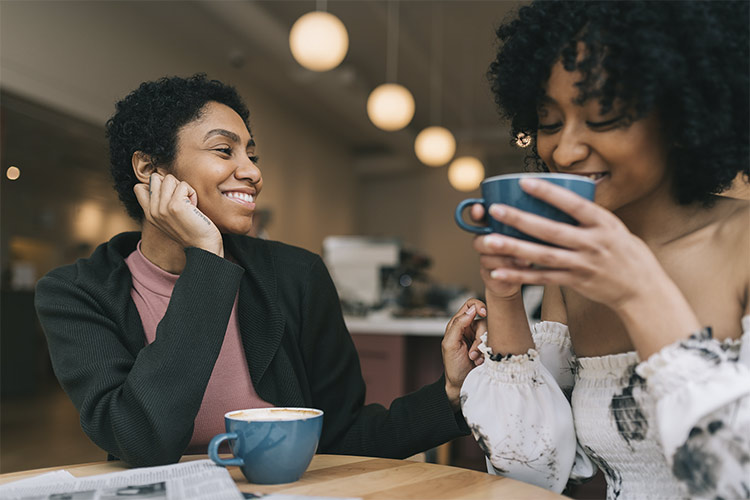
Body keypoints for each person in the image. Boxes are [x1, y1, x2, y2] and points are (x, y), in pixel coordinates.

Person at [35, 74, 484, 467]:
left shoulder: (297, 276)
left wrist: (449, 394)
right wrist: (206, 260)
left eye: (251, 154)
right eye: (224, 150)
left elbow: (344, 439)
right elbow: (141, 439)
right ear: (150, 169)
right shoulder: (76, 293)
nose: (251, 172)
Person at [454, 1, 750, 499]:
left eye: (605, 115)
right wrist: (504, 296)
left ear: (684, 112)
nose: (565, 151)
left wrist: (639, 292)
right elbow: (534, 471)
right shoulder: (571, 272)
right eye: (549, 122)